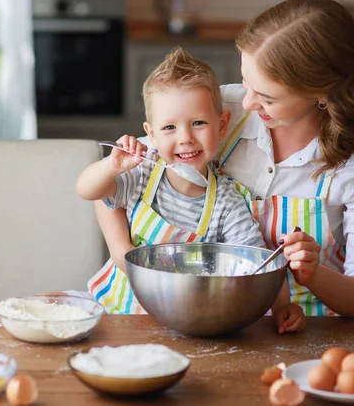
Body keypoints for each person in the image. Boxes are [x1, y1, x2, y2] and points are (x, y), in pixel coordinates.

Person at [95, 0, 354, 318]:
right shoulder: (217, 111)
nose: (247, 103)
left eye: (267, 97)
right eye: (246, 82)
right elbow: (117, 177)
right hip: (203, 311)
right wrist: (122, 253)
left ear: (320, 93)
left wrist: (313, 274)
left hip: (301, 324)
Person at [76, 47, 307, 333]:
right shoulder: (141, 174)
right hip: (119, 315)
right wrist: (112, 166)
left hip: (187, 322)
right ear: (151, 133)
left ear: (221, 125)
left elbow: (255, 262)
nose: (185, 138)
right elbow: (87, 189)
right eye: (170, 127)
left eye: (198, 123)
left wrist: (282, 306)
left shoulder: (226, 200)